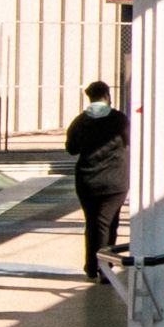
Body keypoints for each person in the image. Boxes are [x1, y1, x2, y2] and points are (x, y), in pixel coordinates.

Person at [65, 80, 129, 282]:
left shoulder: (80, 121)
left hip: (87, 179)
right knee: (108, 223)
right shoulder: (119, 119)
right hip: (115, 181)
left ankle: (93, 265)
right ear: (107, 96)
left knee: (93, 222)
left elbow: (72, 148)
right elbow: (128, 141)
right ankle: (103, 267)